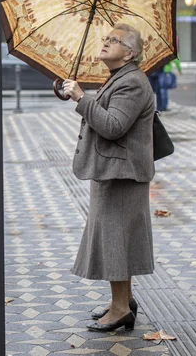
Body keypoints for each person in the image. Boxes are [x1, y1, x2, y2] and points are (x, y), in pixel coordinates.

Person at [62, 23, 156, 332]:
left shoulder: (132, 83)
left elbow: (114, 125)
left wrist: (81, 98)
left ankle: (119, 310)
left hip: (122, 175)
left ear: (129, 53)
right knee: (117, 239)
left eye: (114, 41)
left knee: (116, 241)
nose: (105, 43)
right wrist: (76, 95)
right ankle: (123, 301)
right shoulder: (120, 78)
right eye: (105, 38)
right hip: (115, 171)